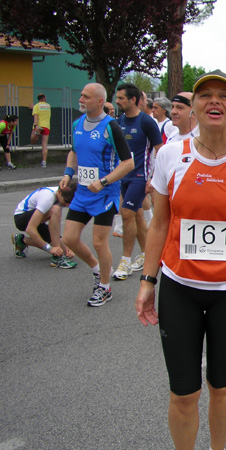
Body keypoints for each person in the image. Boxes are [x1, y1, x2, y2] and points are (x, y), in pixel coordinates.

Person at [135, 69, 226, 450]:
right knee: (183, 393)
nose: (214, 101)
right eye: (205, 95)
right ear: (194, 107)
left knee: (221, 386)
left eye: (224, 96)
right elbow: (159, 224)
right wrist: (148, 281)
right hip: (179, 288)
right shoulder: (170, 155)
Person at [60, 82, 134, 307]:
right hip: (82, 192)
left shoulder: (110, 126)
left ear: (100, 101)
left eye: (86, 97)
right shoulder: (77, 124)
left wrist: (104, 181)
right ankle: (97, 268)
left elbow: (128, 163)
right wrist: (67, 173)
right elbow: (74, 152)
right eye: (81, 96)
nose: (81, 100)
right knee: (69, 239)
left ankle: (104, 287)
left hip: (104, 194)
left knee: (99, 242)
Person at [113, 83, 163, 279]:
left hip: (140, 177)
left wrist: (155, 178)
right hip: (122, 177)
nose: (117, 102)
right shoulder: (118, 122)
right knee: (137, 217)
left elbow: (161, 150)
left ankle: (125, 260)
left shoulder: (146, 122)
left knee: (126, 213)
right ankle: (145, 254)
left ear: (133, 100)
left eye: (121, 98)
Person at [12, 181, 78, 268]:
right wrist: (49, 249)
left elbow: (54, 230)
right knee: (56, 209)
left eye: (71, 202)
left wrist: (66, 248)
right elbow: (30, 228)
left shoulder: (62, 195)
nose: (67, 205)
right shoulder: (48, 197)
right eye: (67, 201)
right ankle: (58, 258)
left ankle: (22, 240)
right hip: (21, 218)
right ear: (59, 192)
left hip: (38, 219)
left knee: (60, 248)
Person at [32, 93, 51, 168]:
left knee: (33, 140)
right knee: (44, 145)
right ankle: (44, 162)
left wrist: (36, 125)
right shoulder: (48, 106)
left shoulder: (36, 106)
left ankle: (36, 134)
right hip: (46, 126)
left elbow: (36, 116)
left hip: (39, 125)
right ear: (44, 98)